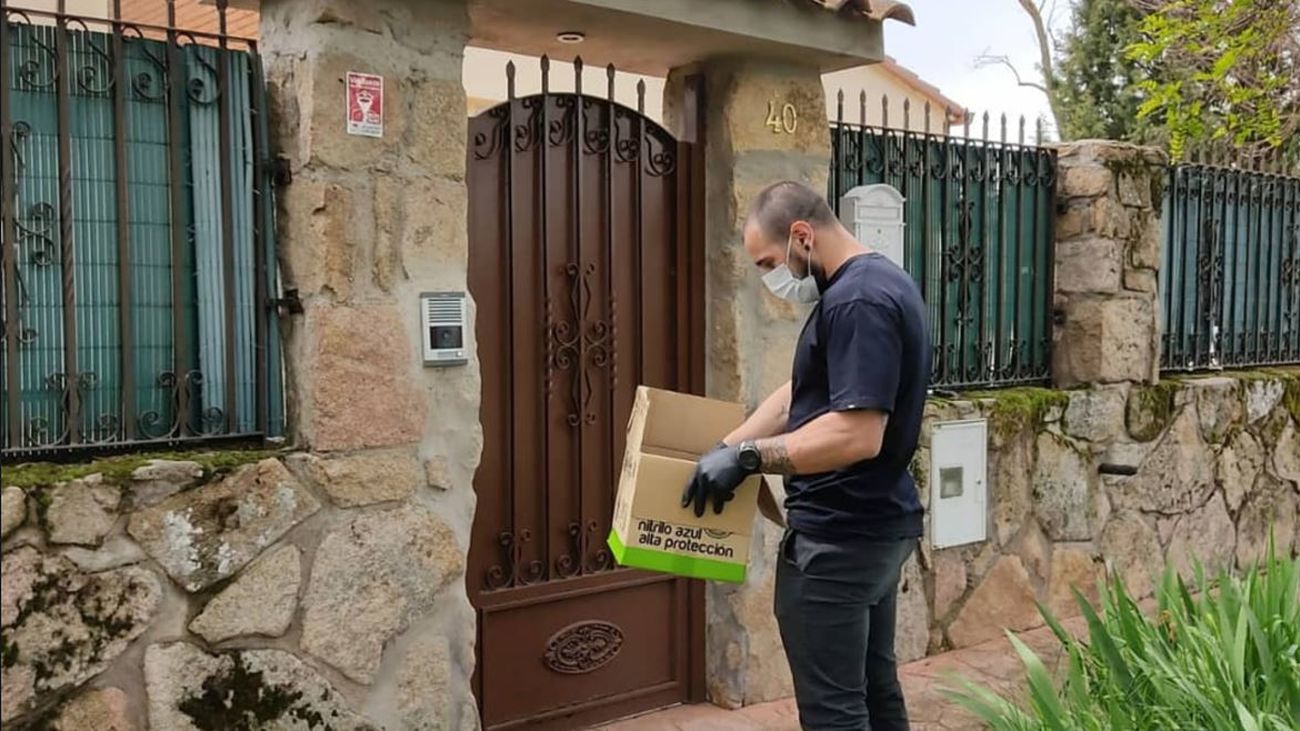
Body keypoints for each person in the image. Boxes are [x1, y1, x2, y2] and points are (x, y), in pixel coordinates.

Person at [680, 180, 930, 730]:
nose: (773, 277)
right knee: (873, 689)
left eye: (770, 261)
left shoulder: (858, 301)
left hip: (840, 541)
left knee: (834, 713)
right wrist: (731, 442)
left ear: (802, 235)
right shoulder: (871, 283)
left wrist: (749, 460)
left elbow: (856, 434)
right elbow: (802, 393)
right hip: (875, 527)